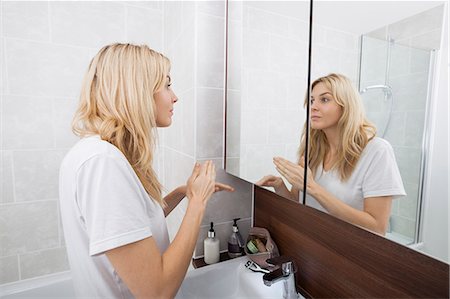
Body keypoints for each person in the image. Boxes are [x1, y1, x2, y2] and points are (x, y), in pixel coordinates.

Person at [59, 43, 234, 298]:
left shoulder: (97, 153)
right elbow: (158, 291)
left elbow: (131, 225)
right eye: (166, 84)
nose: (174, 96)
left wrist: (182, 192)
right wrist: (197, 202)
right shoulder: (103, 163)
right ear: (137, 91)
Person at [257, 73, 405, 236]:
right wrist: (280, 186)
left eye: (324, 99)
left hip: (350, 252)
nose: (313, 106)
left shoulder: (377, 151)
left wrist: (313, 188)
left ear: (346, 106)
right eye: (312, 100)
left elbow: (377, 227)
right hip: (317, 244)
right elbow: (300, 202)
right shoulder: (312, 149)